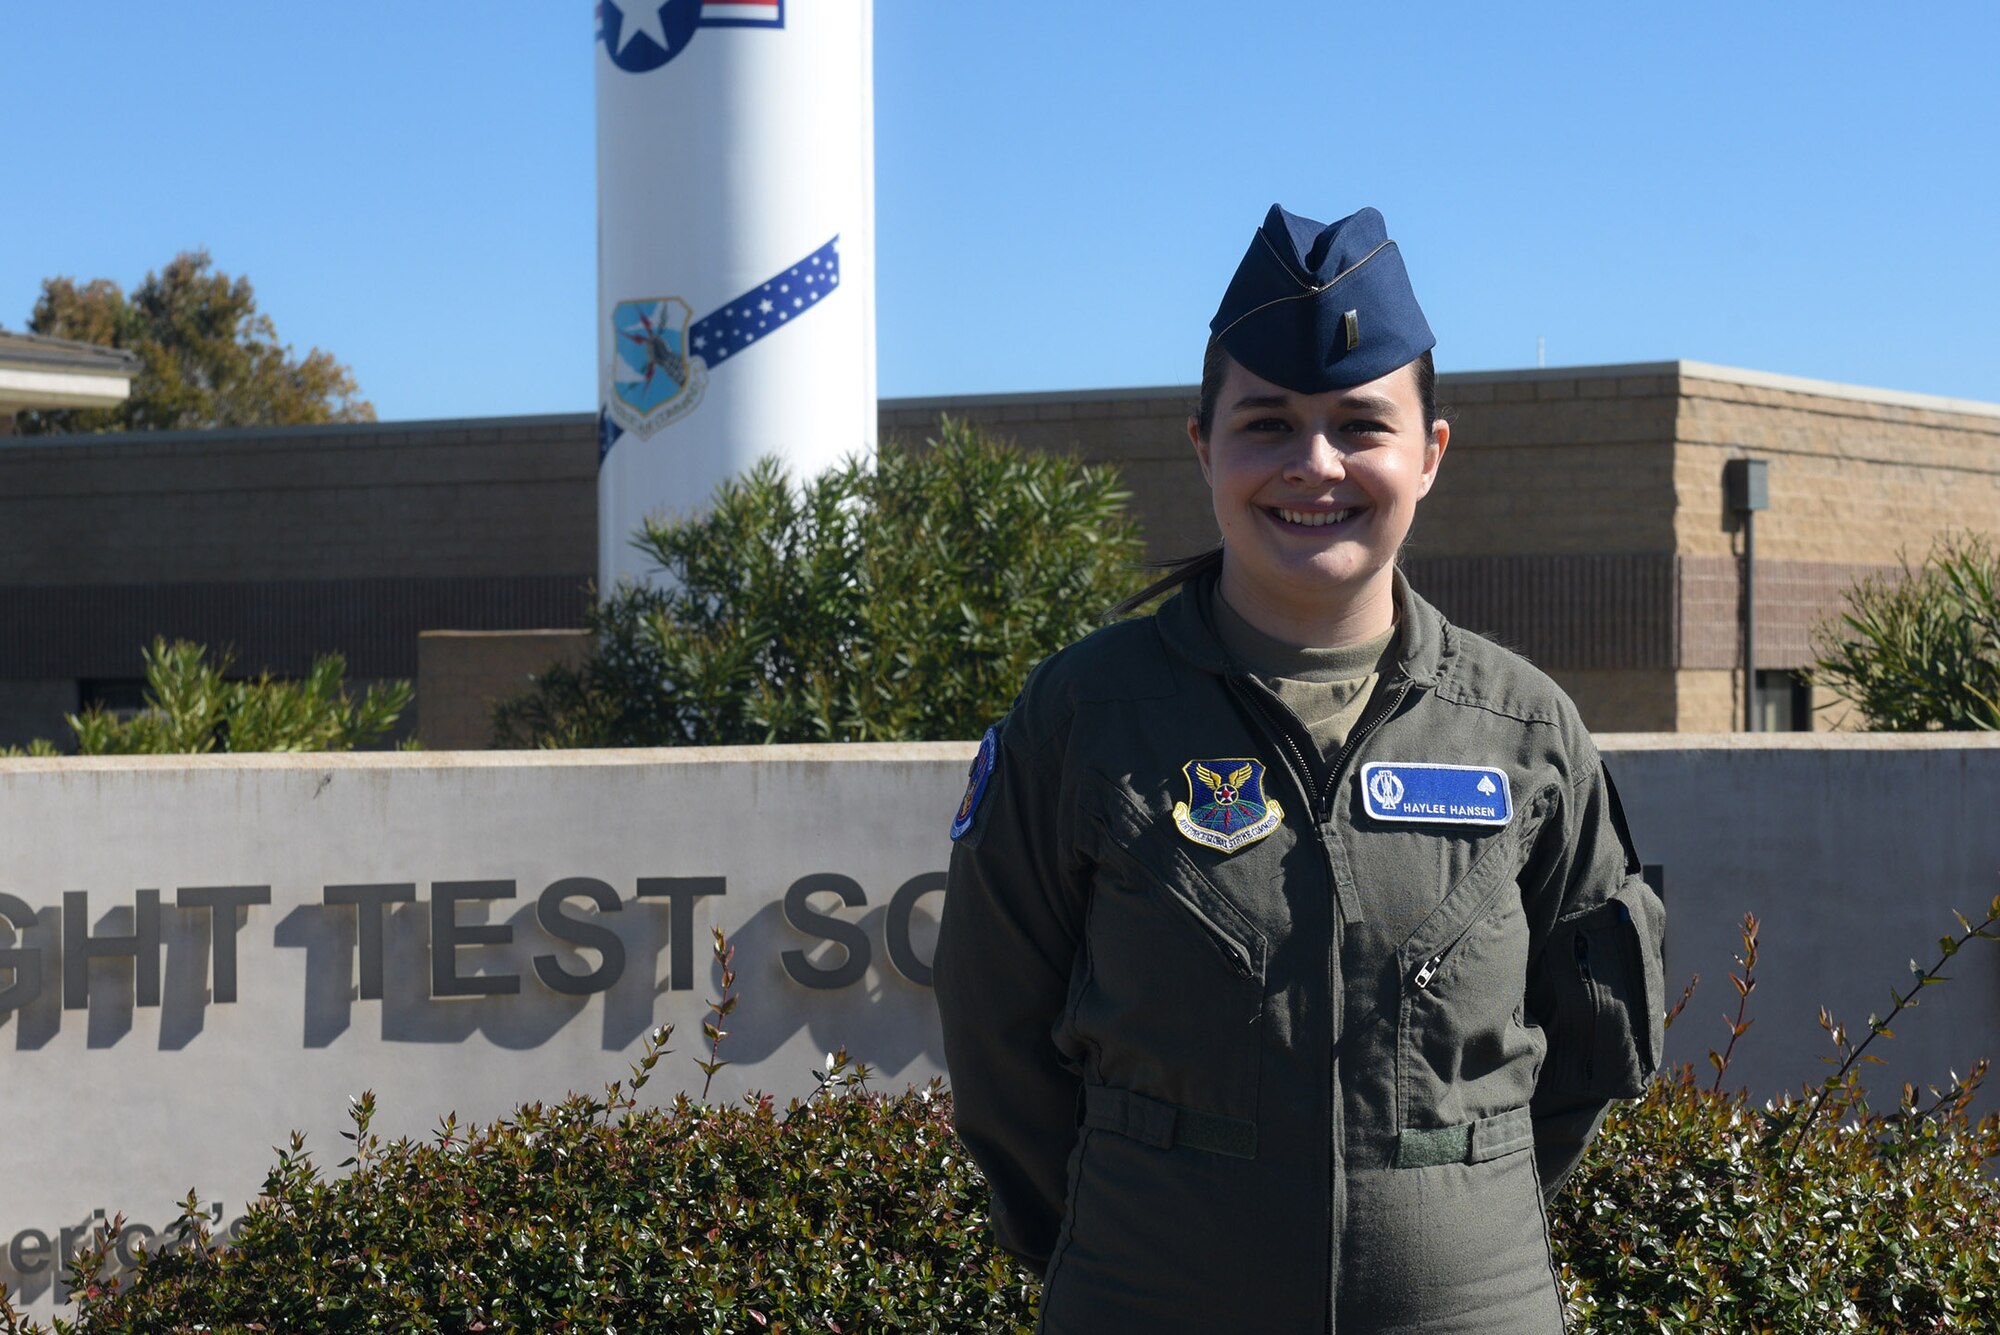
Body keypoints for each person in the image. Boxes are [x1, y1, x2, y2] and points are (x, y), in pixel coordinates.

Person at [933, 203, 1667, 1334]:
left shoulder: (1523, 730)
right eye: (1266, 424)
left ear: (1428, 453)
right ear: (1203, 447)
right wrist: (1122, 1237)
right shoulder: (1085, 717)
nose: (1312, 465)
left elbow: (1586, 1046)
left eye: (1358, 426)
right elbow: (997, 1037)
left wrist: (1450, 1207)